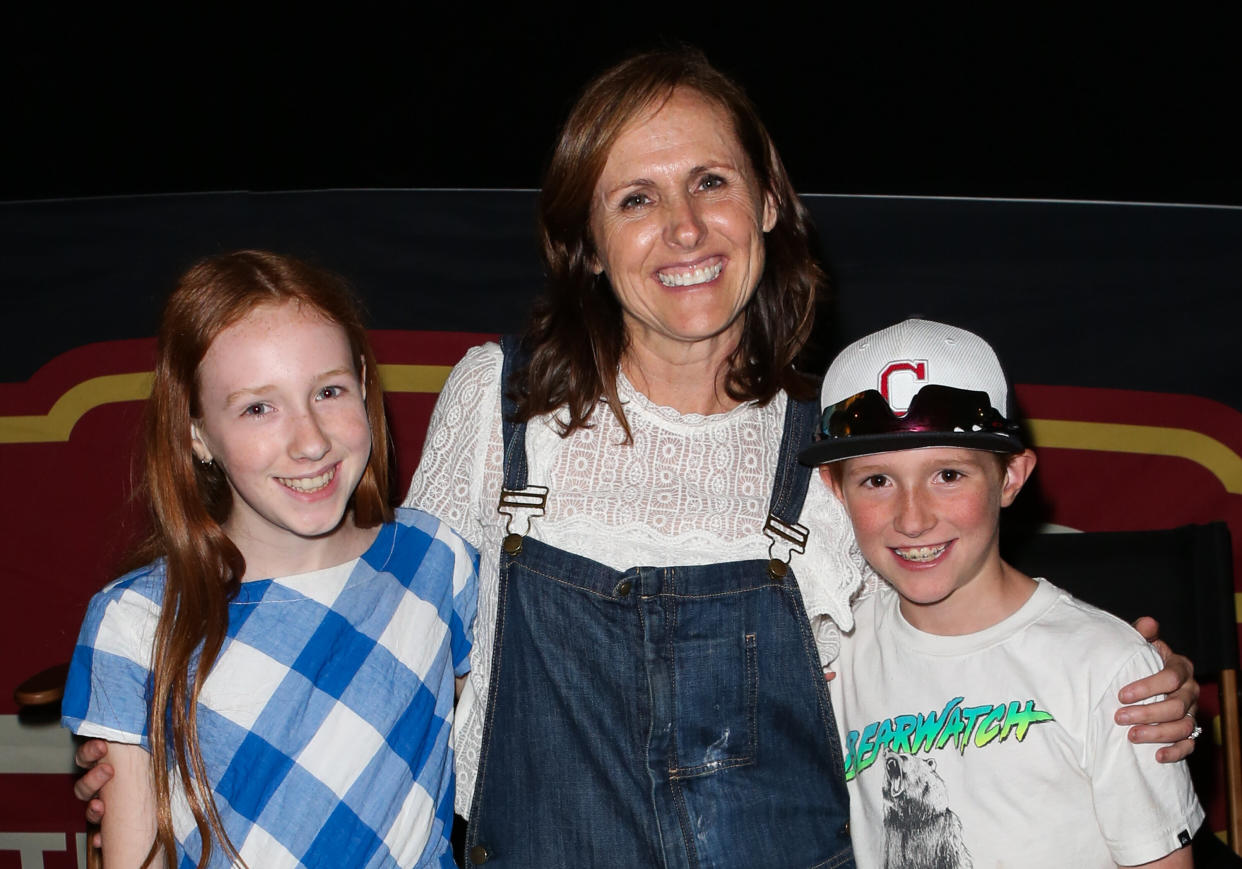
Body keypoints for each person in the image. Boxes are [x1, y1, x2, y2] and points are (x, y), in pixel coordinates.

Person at [73, 51, 1200, 867]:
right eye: (636, 198)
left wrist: (1119, 680)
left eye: (711, 182)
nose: (685, 227)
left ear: (767, 204)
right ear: (589, 244)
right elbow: (381, 623)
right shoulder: (498, 404)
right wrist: (165, 718)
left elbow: (943, 651)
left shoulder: (836, 448)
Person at [61, 251, 478, 868]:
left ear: (364, 385)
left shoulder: (439, 563)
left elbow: (483, 756)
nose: (310, 441)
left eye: (329, 390)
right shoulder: (137, 621)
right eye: (259, 407)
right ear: (195, 431)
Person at [803, 318, 1204, 867]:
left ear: (1011, 477)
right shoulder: (830, 651)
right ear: (835, 491)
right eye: (877, 480)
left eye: (948, 474)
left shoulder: (1104, 667)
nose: (912, 518)